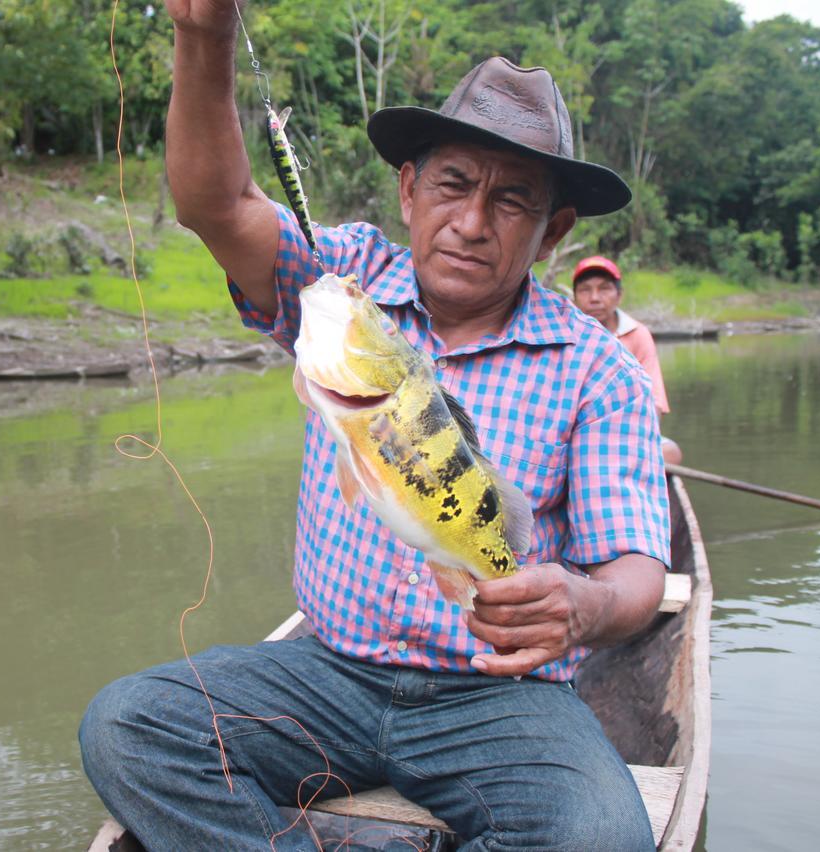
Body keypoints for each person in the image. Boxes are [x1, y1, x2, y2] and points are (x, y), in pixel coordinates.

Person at [80, 3, 670, 849]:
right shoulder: (344, 288)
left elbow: (639, 573)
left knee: (604, 836)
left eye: (511, 202)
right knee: (127, 727)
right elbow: (216, 202)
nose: (471, 222)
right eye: (451, 185)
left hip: (502, 697)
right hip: (327, 673)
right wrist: (204, 34)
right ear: (407, 187)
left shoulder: (600, 368)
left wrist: (585, 602)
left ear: (554, 233)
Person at [571, 257, 683, 464]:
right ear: (575, 298)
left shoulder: (637, 334)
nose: (595, 298)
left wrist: (641, 442)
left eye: (604, 289)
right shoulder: (567, 335)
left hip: (629, 433)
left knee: (671, 453)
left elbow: (654, 400)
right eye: (585, 290)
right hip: (575, 433)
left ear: (619, 296)